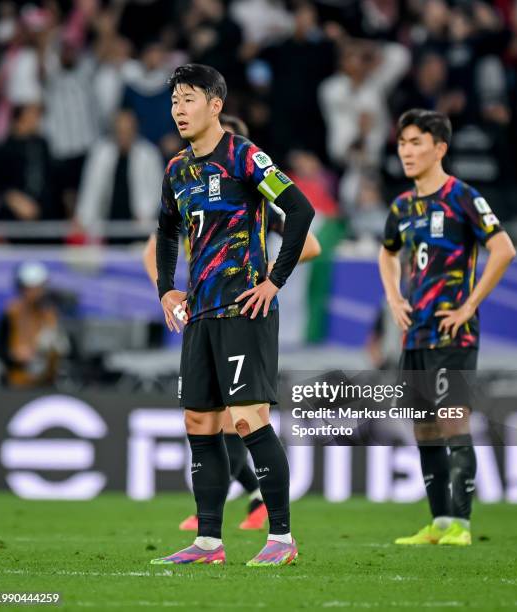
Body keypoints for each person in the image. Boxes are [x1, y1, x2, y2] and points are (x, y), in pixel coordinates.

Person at [151, 63, 314, 566]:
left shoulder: (244, 156)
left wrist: (273, 281)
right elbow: (167, 232)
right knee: (200, 421)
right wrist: (166, 289)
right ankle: (208, 543)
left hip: (245, 306)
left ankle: (282, 538)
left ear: (215, 105)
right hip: (199, 312)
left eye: (189, 99)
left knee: (247, 420)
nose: (179, 109)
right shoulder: (178, 169)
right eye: (175, 100)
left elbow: (301, 210)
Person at [378, 109, 516, 546]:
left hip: (453, 331)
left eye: (416, 142)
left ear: (440, 148)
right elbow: (387, 253)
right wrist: (394, 297)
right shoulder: (402, 205)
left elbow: (504, 249)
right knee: (423, 426)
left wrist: (468, 305)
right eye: (402, 143)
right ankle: (439, 523)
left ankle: (462, 523)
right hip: (415, 332)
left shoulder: (462, 197)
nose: (407, 151)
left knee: (453, 419)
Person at [0, 262, 67, 388]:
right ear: (20, 288)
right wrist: (14, 356)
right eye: (29, 288)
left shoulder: (51, 315)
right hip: (16, 381)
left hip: (47, 381)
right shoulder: (10, 315)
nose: (34, 293)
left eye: (38, 288)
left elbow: (64, 348)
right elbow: (0, 349)